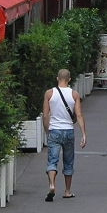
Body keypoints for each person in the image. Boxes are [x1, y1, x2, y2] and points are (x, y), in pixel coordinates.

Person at [41, 68, 86, 200]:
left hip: (54, 130)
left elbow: (45, 115)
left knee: (52, 160)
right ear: (69, 79)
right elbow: (79, 115)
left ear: (57, 78)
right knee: (68, 161)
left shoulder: (49, 93)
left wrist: (47, 131)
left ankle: (52, 185)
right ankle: (67, 191)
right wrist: (84, 134)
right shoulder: (74, 94)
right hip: (68, 131)